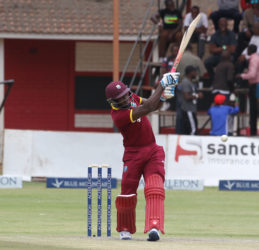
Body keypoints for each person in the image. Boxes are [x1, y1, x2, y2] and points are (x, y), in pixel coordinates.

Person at [105, 71, 180, 241]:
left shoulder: (132, 98)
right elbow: (146, 108)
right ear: (113, 102)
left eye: (125, 95)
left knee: (155, 187)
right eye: (120, 98)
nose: (125, 100)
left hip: (152, 150)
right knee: (127, 192)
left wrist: (163, 97)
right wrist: (161, 85)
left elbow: (153, 106)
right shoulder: (119, 116)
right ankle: (125, 229)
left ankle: (155, 227)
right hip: (133, 154)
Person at [175, 43, 207, 134]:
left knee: (180, 116)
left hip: (180, 87)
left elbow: (172, 72)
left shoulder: (178, 59)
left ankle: (179, 133)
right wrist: (197, 95)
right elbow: (204, 73)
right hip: (188, 90)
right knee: (190, 120)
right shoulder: (196, 59)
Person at [204, 17, 237, 83]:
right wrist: (226, 47)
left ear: (227, 25)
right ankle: (213, 80)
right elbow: (212, 49)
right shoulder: (214, 35)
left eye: (224, 24)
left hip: (229, 56)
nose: (223, 26)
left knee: (233, 61)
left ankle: (230, 82)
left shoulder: (232, 34)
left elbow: (233, 49)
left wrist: (221, 48)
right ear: (218, 25)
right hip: (218, 56)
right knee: (207, 62)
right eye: (221, 24)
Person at [238, 44, 259, 135]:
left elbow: (253, 74)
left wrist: (242, 75)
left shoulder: (253, 59)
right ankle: (253, 131)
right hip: (256, 85)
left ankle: (253, 132)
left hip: (256, 86)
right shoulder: (256, 58)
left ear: (250, 50)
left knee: (254, 109)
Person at [180, 65, 203, 135]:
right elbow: (186, 97)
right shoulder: (186, 82)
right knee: (193, 130)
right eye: (195, 72)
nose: (196, 73)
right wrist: (197, 95)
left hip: (191, 110)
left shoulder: (191, 82)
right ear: (190, 73)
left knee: (192, 129)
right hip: (188, 110)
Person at [160, 45, 179, 110]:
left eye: (177, 51)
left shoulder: (179, 59)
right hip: (169, 78)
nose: (176, 52)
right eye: (174, 51)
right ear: (171, 51)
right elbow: (163, 71)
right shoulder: (167, 59)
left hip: (178, 80)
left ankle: (170, 104)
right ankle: (165, 103)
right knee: (161, 84)